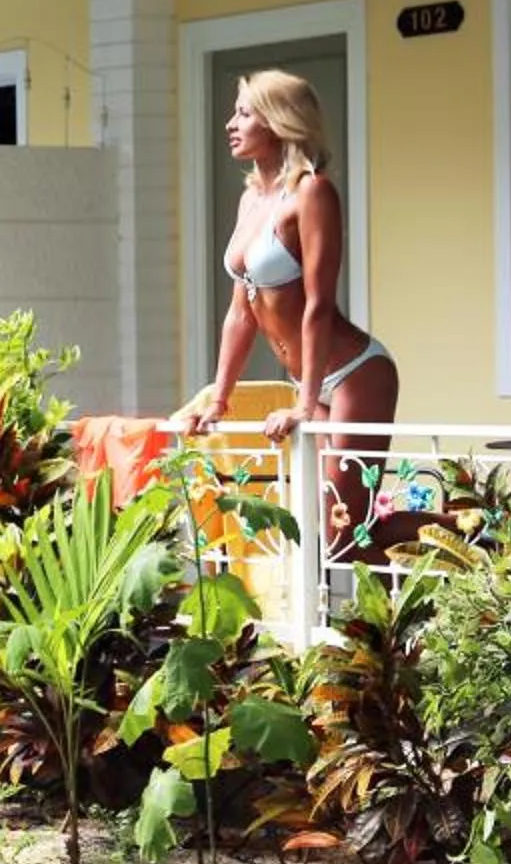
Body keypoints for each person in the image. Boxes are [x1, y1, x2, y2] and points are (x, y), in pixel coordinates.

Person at [169, 69, 397, 553]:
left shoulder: (312, 193)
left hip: (355, 375)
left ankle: (465, 535)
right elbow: (241, 312)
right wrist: (218, 400)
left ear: (277, 122)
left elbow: (317, 305)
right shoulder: (251, 198)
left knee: (344, 533)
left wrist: (301, 403)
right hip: (308, 383)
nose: (231, 123)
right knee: (331, 530)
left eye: (244, 113)